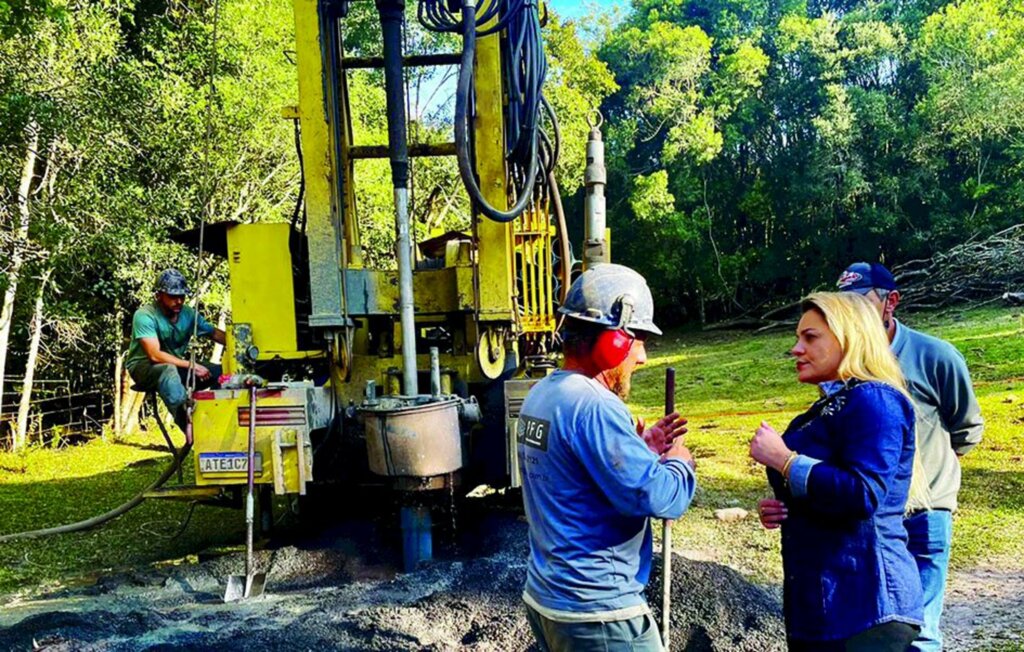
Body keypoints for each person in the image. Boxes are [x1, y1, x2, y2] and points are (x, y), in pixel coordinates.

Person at [517, 263, 697, 652]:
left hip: (548, 600)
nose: (643, 357)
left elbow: (576, 474)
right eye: (638, 340)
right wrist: (679, 462)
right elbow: (658, 497)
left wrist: (639, 450)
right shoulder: (596, 406)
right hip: (599, 613)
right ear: (612, 341)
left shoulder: (541, 396)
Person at [750, 292, 924, 651]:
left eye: (810, 338)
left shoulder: (875, 399)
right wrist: (786, 507)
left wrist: (786, 461)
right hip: (823, 605)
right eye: (797, 338)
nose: (796, 349)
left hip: (867, 603)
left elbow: (863, 493)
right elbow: (828, 491)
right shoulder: (827, 408)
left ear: (850, 336)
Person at [838, 261, 983, 652]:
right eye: (844, 304)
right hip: (867, 516)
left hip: (925, 515)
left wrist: (927, 479)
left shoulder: (936, 356)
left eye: (861, 302)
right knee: (873, 629)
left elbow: (966, 427)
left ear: (891, 303)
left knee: (922, 636)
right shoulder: (840, 366)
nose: (851, 314)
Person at [125, 269, 225, 430]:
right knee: (168, 370)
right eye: (172, 296)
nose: (178, 301)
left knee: (222, 372)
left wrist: (241, 346)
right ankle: (187, 422)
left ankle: (220, 417)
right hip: (143, 367)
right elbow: (154, 355)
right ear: (158, 295)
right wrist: (192, 365)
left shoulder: (188, 314)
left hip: (177, 367)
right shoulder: (144, 315)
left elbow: (214, 333)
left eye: (182, 296)